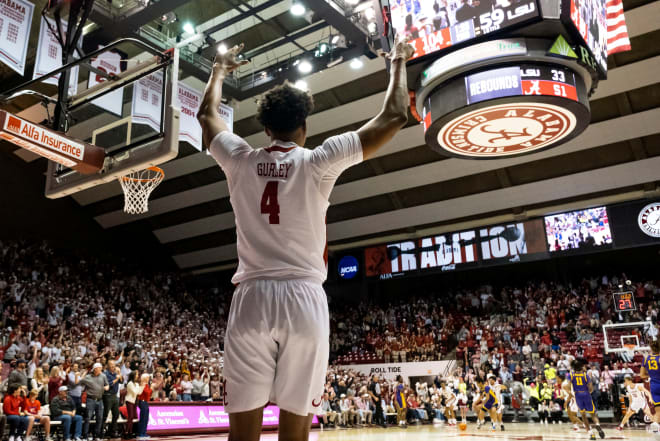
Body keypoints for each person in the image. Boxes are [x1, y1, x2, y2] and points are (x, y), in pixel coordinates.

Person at [196, 33, 414, 441]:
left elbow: (207, 116)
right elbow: (395, 117)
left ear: (264, 128)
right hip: (303, 299)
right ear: (304, 126)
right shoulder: (318, 161)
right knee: (296, 434)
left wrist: (218, 72)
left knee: (242, 435)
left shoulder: (239, 160)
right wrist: (398, 61)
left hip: (251, 298)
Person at [570, 359, 604, 440]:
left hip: (578, 395)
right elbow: (591, 388)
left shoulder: (571, 375)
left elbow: (568, 385)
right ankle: (598, 425)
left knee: (583, 416)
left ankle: (591, 434)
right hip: (586, 394)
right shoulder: (586, 376)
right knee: (593, 414)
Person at [81, 362, 109, 441]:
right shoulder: (88, 377)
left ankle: (96, 435)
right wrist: (83, 374)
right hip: (90, 399)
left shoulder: (103, 376)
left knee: (99, 418)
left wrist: (106, 387)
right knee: (88, 418)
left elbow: (107, 384)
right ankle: (85, 436)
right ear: (95, 369)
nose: (100, 370)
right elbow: (81, 382)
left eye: (101, 368)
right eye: (99, 368)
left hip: (100, 400)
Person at [640, 338, 660, 433]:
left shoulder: (646, 358)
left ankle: (655, 425)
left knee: (658, 411)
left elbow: (642, 375)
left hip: (654, 386)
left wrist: (651, 375)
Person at [103, 360, 123, 438]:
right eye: (111, 365)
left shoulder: (115, 373)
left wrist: (119, 374)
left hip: (115, 395)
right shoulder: (105, 374)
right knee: (105, 414)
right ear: (108, 366)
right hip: (107, 395)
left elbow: (121, 382)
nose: (113, 367)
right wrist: (116, 379)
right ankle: (102, 431)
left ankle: (112, 431)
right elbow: (108, 384)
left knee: (116, 414)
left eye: (114, 365)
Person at [124, 371, 143, 439]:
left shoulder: (136, 384)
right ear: (133, 376)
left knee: (133, 417)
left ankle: (131, 432)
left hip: (134, 401)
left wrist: (141, 386)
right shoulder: (130, 383)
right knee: (130, 417)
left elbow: (139, 393)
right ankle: (126, 432)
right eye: (137, 374)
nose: (138, 376)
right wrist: (138, 389)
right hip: (129, 401)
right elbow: (135, 392)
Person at [136, 374, 152, 441]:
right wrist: (151, 389)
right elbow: (147, 393)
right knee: (143, 417)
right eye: (147, 378)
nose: (148, 379)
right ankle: (140, 434)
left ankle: (144, 432)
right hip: (142, 402)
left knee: (146, 418)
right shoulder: (142, 384)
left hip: (145, 402)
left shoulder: (146, 385)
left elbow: (149, 395)